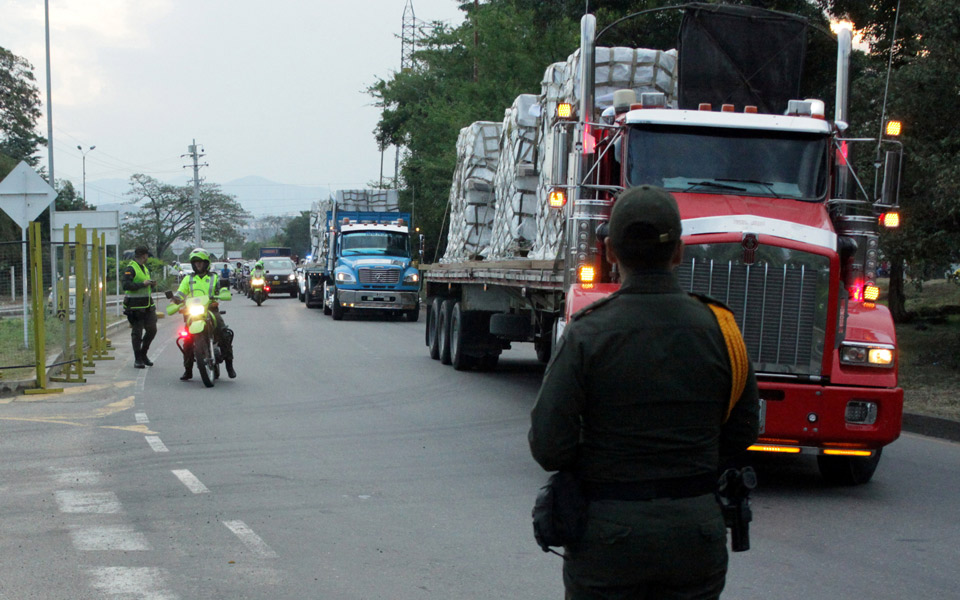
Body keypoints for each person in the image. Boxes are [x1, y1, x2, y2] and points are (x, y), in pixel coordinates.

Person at [528, 185, 759, 600]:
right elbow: (743, 432)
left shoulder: (588, 332)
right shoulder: (722, 330)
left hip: (609, 536)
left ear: (611, 252)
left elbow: (549, 447)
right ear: (678, 253)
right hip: (696, 534)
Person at [169, 248, 237, 381]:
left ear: (206, 263)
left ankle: (229, 364)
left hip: (211, 309)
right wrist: (175, 300)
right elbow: (181, 292)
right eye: (195, 262)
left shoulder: (214, 277)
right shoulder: (188, 279)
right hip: (192, 312)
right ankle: (188, 370)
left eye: (201, 262)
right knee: (187, 339)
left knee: (224, 333)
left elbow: (222, 288)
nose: (198, 264)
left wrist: (224, 292)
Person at [121, 246, 157, 369]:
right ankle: (138, 359)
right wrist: (142, 284)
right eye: (147, 255)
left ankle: (143, 354)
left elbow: (145, 286)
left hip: (148, 305)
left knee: (152, 330)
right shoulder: (131, 268)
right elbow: (126, 285)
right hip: (135, 307)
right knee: (137, 333)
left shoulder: (144, 268)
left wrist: (151, 285)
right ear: (144, 255)